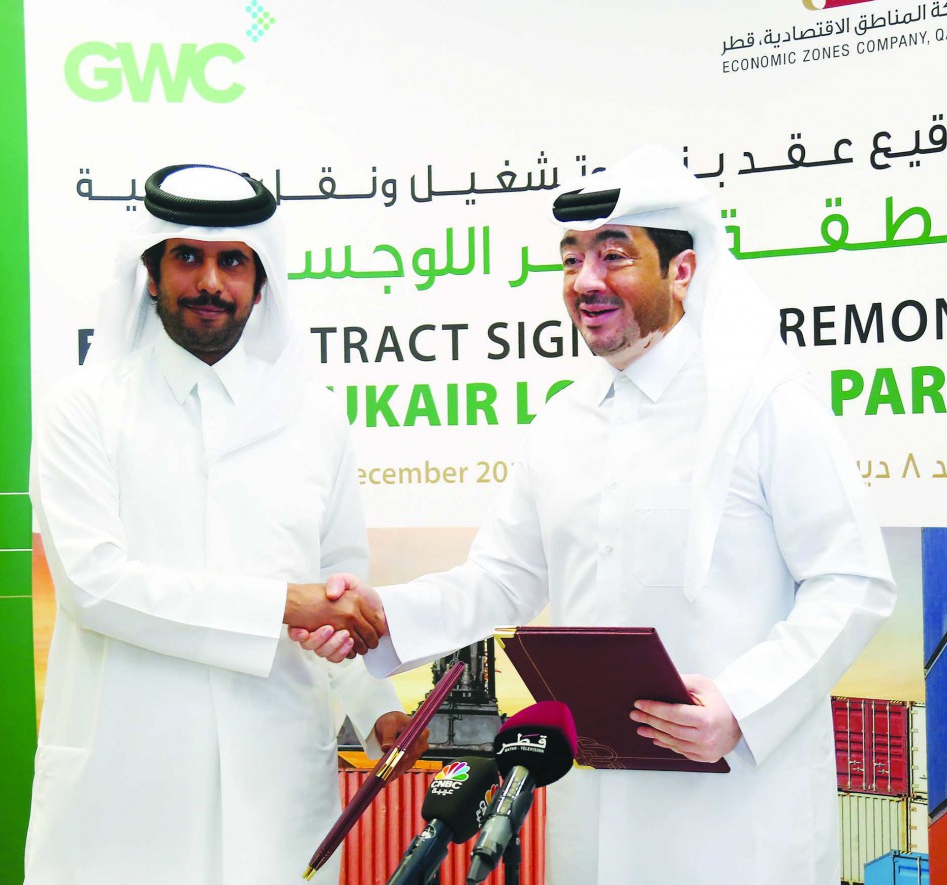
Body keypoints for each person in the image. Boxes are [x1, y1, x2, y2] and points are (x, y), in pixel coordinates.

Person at [294, 146, 896, 884]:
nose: (585, 281)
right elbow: (502, 578)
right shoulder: (563, 421)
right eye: (572, 257)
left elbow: (854, 580)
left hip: (735, 818)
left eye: (614, 256)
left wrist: (742, 703)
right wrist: (381, 614)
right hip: (597, 815)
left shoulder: (765, 403)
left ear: (683, 271)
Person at [25, 164, 427, 885]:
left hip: (272, 777)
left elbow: (339, 579)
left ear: (259, 281)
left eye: (232, 261)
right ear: (150, 274)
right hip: (130, 778)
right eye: (187, 256)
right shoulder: (83, 407)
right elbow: (94, 587)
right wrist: (280, 603)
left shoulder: (313, 416)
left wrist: (376, 710)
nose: (210, 280)